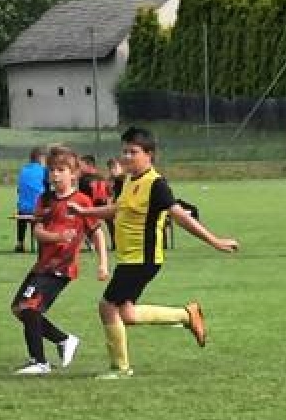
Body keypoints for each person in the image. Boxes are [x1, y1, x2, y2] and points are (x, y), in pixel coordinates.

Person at [79, 127, 239, 380]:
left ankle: (120, 368)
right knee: (127, 314)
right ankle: (187, 315)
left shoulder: (157, 185)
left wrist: (215, 241)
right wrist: (84, 213)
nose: (127, 157)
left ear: (149, 155)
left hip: (142, 259)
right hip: (130, 258)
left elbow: (181, 217)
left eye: (133, 152)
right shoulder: (129, 180)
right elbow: (118, 210)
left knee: (107, 306)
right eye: (125, 151)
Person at [10, 146, 109, 375]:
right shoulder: (44, 199)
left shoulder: (82, 201)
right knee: (19, 309)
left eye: (60, 170)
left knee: (29, 307)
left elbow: (97, 233)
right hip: (42, 265)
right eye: (52, 170)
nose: (54, 174)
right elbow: (38, 231)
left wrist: (103, 264)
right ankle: (64, 340)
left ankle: (39, 361)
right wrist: (57, 236)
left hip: (61, 268)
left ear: (73, 174)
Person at [13, 147, 47, 252]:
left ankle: (20, 242)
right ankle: (43, 241)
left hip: (23, 210)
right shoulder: (44, 171)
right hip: (39, 210)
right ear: (41, 158)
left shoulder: (23, 170)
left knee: (22, 212)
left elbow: (19, 190)